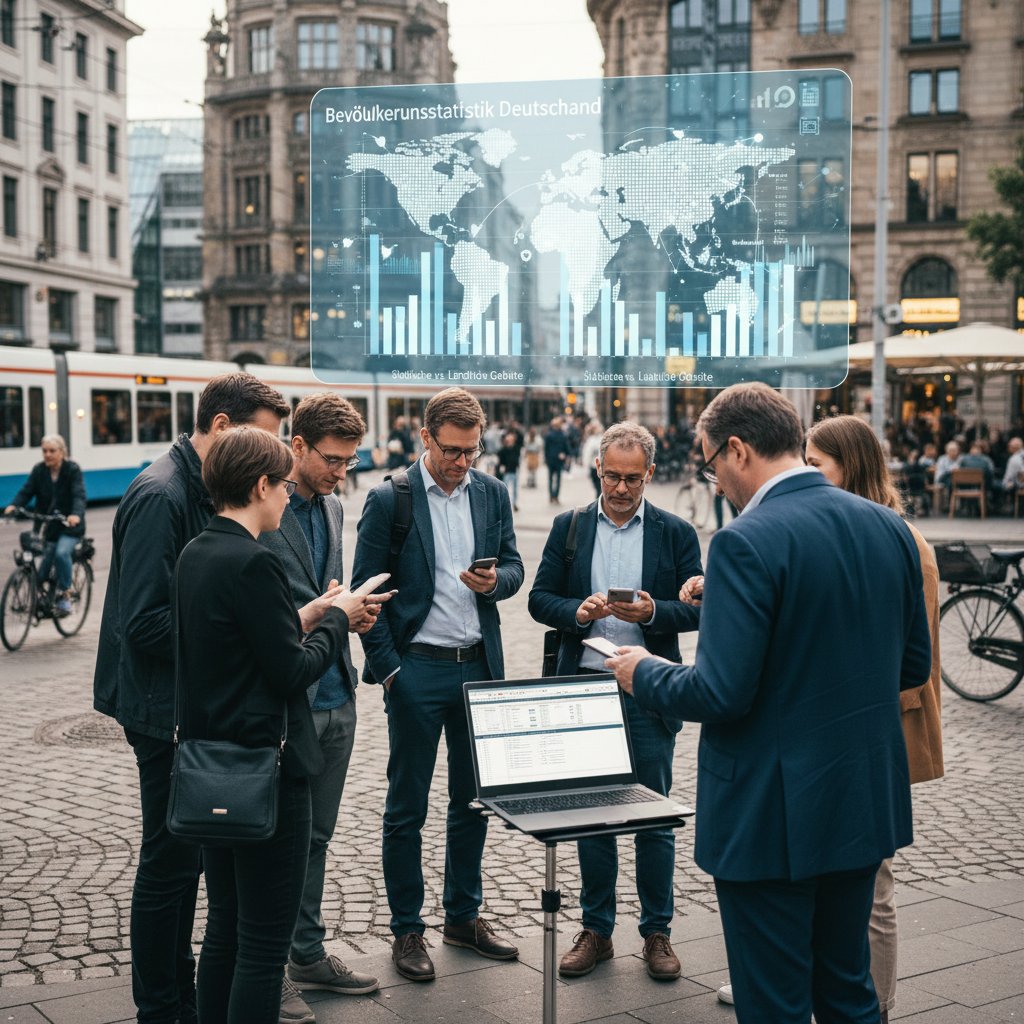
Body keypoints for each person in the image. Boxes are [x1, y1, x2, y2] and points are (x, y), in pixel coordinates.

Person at [606, 383, 932, 1024]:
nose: (716, 480)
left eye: (711, 463)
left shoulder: (744, 541)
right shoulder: (890, 526)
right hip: (862, 799)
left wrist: (643, 671)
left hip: (773, 813)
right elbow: (912, 667)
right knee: (848, 991)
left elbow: (719, 692)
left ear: (737, 448)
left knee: (774, 1003)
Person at [93, 373, 291, 1024]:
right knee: (168, 863)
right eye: (266, 436)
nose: (273, 456)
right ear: (226, 428)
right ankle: (160, 1005)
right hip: (157, 707)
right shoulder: (160, 493)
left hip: (182, 705)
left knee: (188, 863)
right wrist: (231, 629)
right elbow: (143, 622)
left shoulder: (199, 486)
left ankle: (181, 996)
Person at [174, 426, 383, 1024]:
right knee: (264, 947)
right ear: (261, 485)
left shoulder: (200, 552)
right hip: (268, 769)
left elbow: (239, 641)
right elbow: (292, 671)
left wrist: (309, 610)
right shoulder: (256, 562)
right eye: (282, 488)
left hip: (213, 768)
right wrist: (335, 621)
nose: (289, 498)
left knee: (225, 931)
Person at [351, 387, 524, 983]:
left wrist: (495, 580)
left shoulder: (492, 492)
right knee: (407, 807)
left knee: (472, 801)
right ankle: (406, 929)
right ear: (425, 438)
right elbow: (363, 592)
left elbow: (514, 566)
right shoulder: (389, 499)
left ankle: (463, 916)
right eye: (451, 450)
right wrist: (391, 670)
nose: (462, 462)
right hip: (417, 667)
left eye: (471, 451)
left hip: (478, 664)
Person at [528, 422, 703, 982]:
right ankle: (597, 930)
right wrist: (578, 613)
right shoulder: (571, 526)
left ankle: (657, 933)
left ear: (650, 474)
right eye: (612, 476)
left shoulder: (676, 532)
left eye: (632, 479)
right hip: (584, 688)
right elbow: (539, 599)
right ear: (597, 470)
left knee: (654, 815)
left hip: (650, 689)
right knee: (593, 817)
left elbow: (699, 609)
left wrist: (652, 613)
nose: (621, 489)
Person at [804, 415, 944, 1023]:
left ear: (850, 467)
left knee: (874, 887)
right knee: (820, 880)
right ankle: (809, 985)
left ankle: (878, 1005)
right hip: (828, 735)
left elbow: (916, 664)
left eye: (815, 465)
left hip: (875, 734)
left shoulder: (903, 542)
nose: (804, 475)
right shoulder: (823, 530)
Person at [257, 394, 380, 1023]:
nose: (341, 473)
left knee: (318, 836)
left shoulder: (333, 506)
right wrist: (331, 615)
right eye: (332, 460)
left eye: (349, 461)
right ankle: (269, 966)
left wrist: (350, 612)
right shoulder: (264, 509)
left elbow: (325, 590)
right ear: (296, 446)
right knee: (277, 840)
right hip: (288, 701)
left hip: (337, 691)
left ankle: (306, 952)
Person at [5, 434, 86, 615]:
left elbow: (79, 495)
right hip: (49, 527)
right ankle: (45, 598)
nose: (47, 455)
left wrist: (75, 515)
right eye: (44, 451)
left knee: (62, 553)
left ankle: (65, 594)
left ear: (62, 452)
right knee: (41, 571)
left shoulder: (72, 470)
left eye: (52, 451)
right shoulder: (40, 470)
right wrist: (14, 505)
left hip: (69, 527)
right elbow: (26, 491)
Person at [544, 417, 571, 504]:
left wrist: (546, 459)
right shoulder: (563, 435)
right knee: (558, 479)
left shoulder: (549, 435)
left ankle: (551, 496)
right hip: (559, 460)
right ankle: (555, 496)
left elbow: (546, 449)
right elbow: (566, 447)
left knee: (551, 479)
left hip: (551, 460)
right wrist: (566, 454)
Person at [495, 429, 521, 511]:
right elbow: (500, 461)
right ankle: (506, 503)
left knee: (515, 489)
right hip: (506, 471)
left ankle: (514, 503)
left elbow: (517, 459)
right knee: (506, 488)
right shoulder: (503, 450)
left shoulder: (516, 448)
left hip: (514, 470)